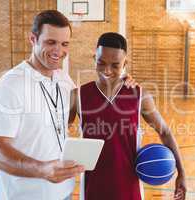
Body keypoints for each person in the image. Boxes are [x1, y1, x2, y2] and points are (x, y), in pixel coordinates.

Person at [0, 10, 136, 200]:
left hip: (63, 193)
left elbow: (96, 107)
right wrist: (42, 169)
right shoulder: (9, 85)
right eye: (51, 42)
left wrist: (122, 82)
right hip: (23, 195)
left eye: (65, 44)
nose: (59, 50)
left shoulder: (64, 80)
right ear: (33, 39)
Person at [69, 32, 186, 200]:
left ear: (125, 63)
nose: (106, 71)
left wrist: (181, 173)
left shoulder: (140, 96)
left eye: (115, 65)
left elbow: (165, 132)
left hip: (129, 188)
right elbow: (56, 137)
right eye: (101, 63)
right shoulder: (77, 96)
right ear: (94, 58)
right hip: (92, 188)